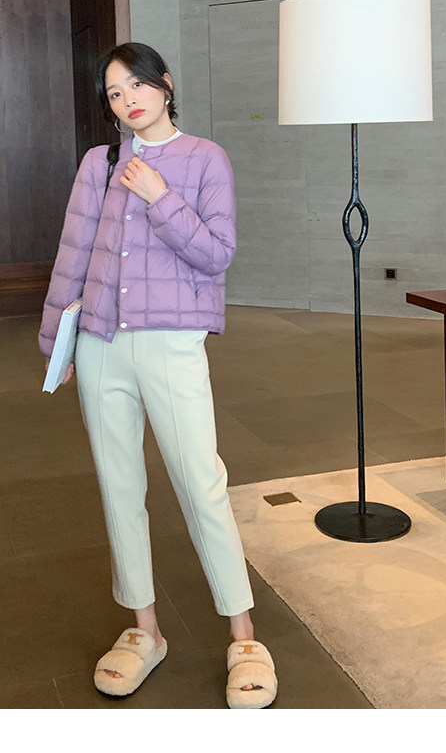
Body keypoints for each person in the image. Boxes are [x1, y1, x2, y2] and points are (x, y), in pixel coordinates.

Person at [39, 42, 277, 709]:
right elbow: (73, 252)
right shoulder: (100, 164)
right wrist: (56, 338)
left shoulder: (205, 159)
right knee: (119, 485)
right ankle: (144, 629)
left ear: (165, 84)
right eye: (114, 94)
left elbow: (217, 254)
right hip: (101, 343)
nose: (128, 101)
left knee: (201, 482)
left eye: (136, 85)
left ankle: (244, 636)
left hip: (172, 342)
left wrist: (160, 196)